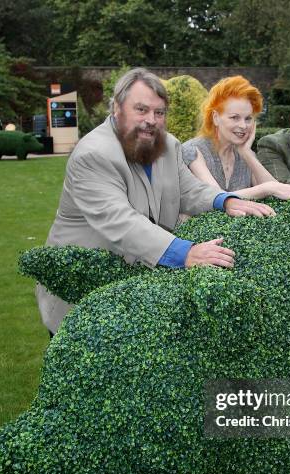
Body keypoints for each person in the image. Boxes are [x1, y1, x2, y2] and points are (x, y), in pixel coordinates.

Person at [37, 67, 275, 334]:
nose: (151, 120)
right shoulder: (93, 155)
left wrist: (225, 201)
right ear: (117, 108)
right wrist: (185, 251)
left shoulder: (166, 145)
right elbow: (121, 221)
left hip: (129, 288)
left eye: (159, 113)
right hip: (82, 292)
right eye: (141, 109)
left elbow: (188, 189)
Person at [182, 76, 290, 203]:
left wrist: (246, 153)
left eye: (248, 119)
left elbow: (277, 195)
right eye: (235, 117)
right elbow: (217, 198)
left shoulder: (244, 155)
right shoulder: (193, 150)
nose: (243, 126)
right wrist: (267, 188)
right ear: (216, 117)